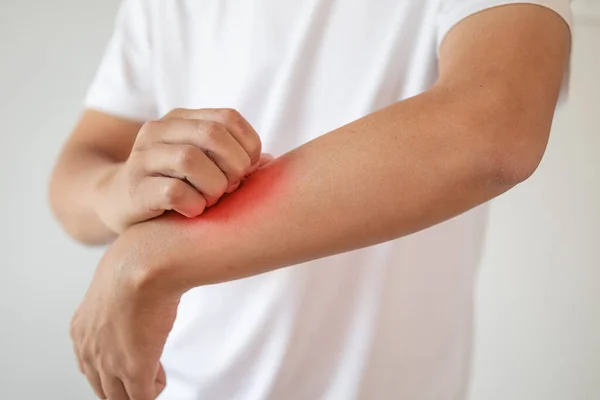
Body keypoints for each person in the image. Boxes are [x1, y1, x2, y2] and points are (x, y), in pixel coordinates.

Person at [49, 0, 572, 399]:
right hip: (178, 382)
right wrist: (119, 191)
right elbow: (75, 170)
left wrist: (152, 259)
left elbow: (493, 125)